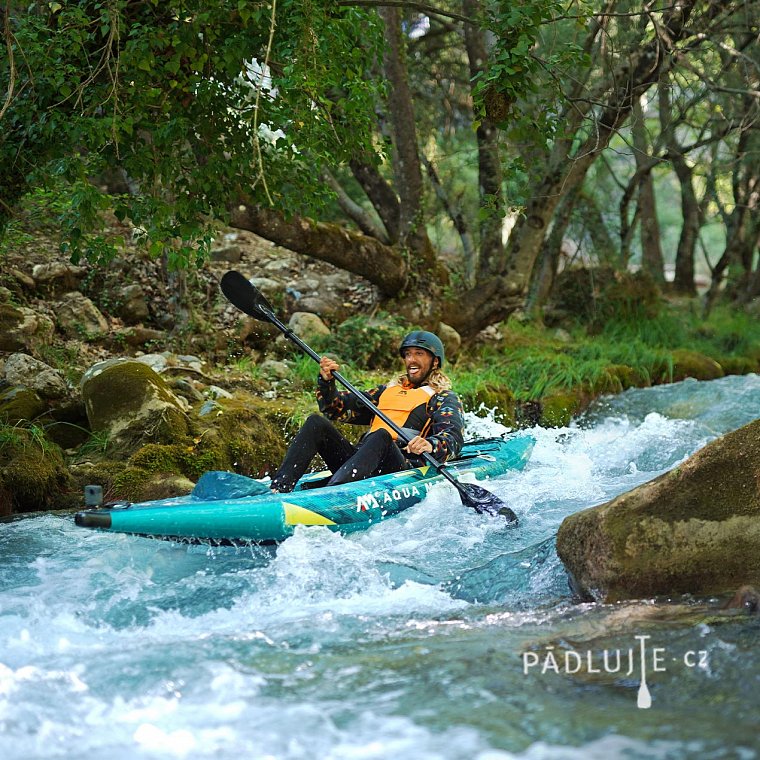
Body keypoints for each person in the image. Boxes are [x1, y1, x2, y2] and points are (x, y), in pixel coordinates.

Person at [269, 331, 465, 493]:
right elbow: (335, 408)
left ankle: (336, 494)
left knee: (381, 435)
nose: (411, 360)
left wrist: (429, 444)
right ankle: (279, 488)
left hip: (400, 468)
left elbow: (453, 439)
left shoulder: (442, 397)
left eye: (419, 354)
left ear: (435, 362)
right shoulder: (384, 392)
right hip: (361, 463)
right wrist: (327, 382)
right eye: (408, 354)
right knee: (315, 423)